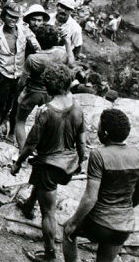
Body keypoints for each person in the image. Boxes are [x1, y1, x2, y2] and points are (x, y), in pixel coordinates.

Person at [12, 64, 85, 262]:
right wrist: (81, 159)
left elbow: (30, 144)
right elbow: (82, 139)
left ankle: (50, 254)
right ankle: (28, 206)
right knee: (43, 184)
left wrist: (18, 163)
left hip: (50, 165)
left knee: (48, 213)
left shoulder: (45, 111)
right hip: (68, 163)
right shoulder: (77, 106)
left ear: (48, 86)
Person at [63, 108, 139, 262]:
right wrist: (124, 210)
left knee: (68, 231)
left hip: (99, 222)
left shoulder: (98, 155)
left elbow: (90, 198)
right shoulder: (137, 154)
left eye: (98, 127)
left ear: (105, 133)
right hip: (124, 226)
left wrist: (73, 222)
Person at [15, 24, 74, 151]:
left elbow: (22, 81)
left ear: (39, 40)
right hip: (50, 93)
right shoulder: (61, 54)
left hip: (33, 91)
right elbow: (72, 64)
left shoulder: (33, 58)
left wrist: (19, 92)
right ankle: (46, 149)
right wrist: (67, 43)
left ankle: (23, 152)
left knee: (20, 121)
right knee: (49, 123)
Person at [0, 0, 40, 142]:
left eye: (16, 17)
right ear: (3, 16)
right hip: (3, 77)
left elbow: (35, 44)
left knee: (16, 106)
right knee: (0, 107)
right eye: (10, 16)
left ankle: (11, 133)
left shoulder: (23, 30)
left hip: (19, 77)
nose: (13, 20)